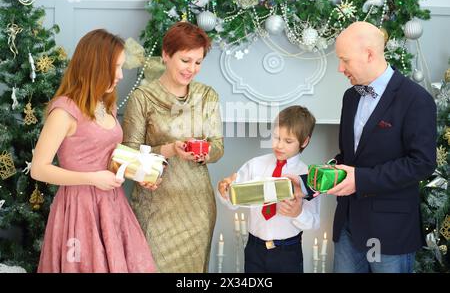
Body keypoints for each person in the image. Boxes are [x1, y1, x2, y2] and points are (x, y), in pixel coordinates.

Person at [31, 29, 157, 273]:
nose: (121, 75)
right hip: (80, 209)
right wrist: (92, 178)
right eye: (116, 67)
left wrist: (142, 172)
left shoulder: (104, 104)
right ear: (96, 66)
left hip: (111, 204)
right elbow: (39, 169)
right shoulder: (64, 111)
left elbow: (106, 154)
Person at [328, 21, 437, 273]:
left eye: (345, 60)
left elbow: (422, 163)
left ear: (369, 54)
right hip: (347, 225)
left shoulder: (416, 99)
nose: (340, 68)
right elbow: (349, 156)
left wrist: (361, 180)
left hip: (390, 231)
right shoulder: (350, 96)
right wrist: (322, 175)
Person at [122, 21, 224, 272]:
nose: (192, 69)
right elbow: (128, 158)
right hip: (154, 208)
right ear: (166, 55)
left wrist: (202, 151)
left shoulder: (207, 95)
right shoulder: (142, 98)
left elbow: (218, 147)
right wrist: (169, 150)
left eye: (198, 62)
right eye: (185, 60)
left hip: (198, 207)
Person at [218, 106, 320, 273]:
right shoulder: (255, 165)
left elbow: (314, 222)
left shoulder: (308, 176)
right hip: (254, 249)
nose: (279, 145)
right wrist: (225, 191)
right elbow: (234, 202)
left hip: (288, 253)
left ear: (304, 141)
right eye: (276, 137)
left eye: (288, 141)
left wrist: (297, 213)